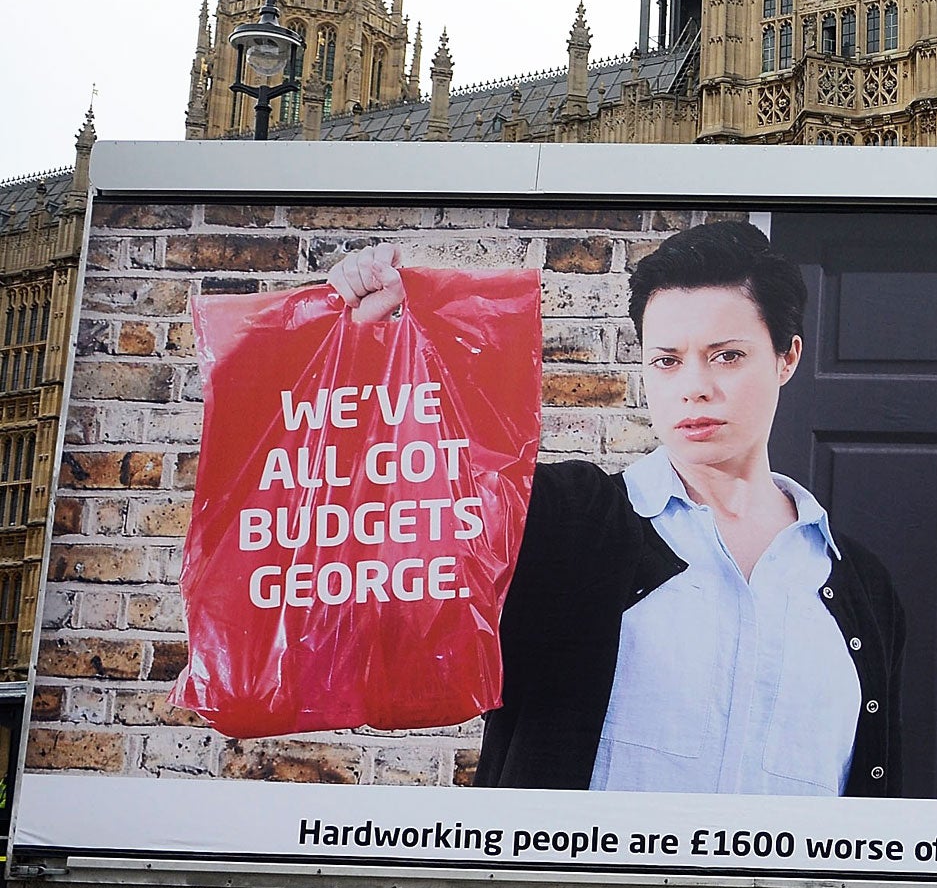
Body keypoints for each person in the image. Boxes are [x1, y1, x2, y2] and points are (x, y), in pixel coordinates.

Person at [328, 222, 903, 796]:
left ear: (787, 358)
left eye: (726, 356)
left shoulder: (863, 589)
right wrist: (373, 346)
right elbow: (384, 530)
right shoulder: (559, 523)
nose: (695, 387)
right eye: (667, 361)